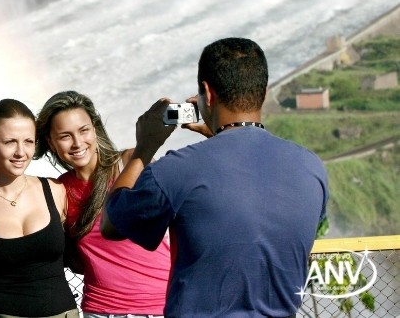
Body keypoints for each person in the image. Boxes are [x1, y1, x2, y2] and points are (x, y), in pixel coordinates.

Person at [100, 37, 329, 318]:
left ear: (207, 94)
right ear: (264, 92)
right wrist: (217, 137)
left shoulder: (176, 170)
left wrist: (144, 148)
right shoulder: (312, 167)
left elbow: (112, 225)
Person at [35, 91, 171, 318]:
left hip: (159, 306)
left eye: (83, 130)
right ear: (51, 142)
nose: (78, 143)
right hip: (100, 310)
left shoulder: (131, 162)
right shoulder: (59, 190)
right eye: (65, 136)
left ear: (95, 129)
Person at [0, 99, 78, 318]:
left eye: (28, 141)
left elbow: (87, 249)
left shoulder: (56, 191)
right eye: (10, 142)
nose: (21, 152)